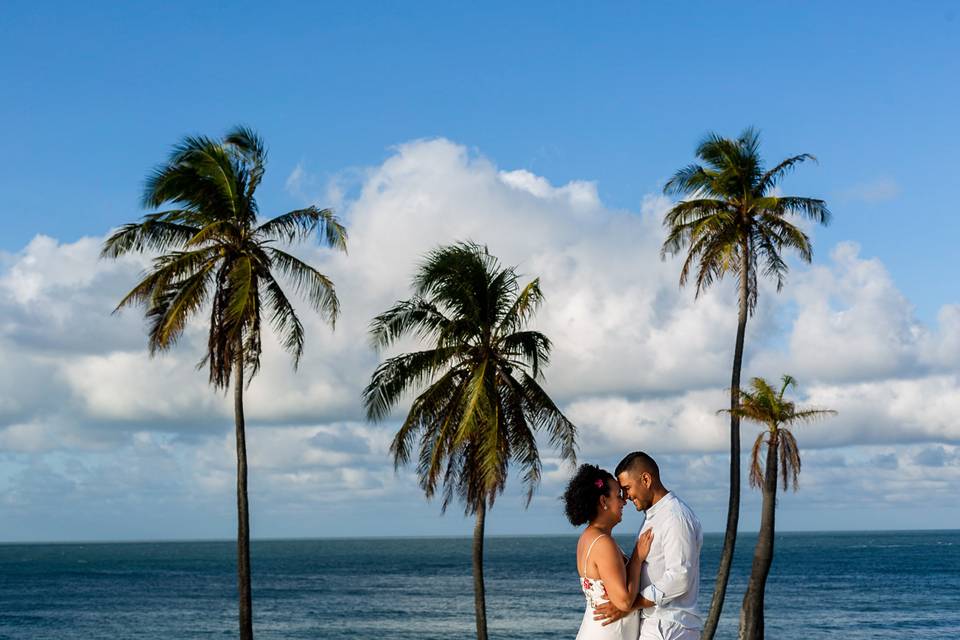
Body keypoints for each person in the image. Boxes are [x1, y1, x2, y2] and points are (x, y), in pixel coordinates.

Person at [593, 452, 703, 640]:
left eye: (627, 488)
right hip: (658, 624)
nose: (626, 497)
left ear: (645, 479)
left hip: (669, 626)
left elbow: (680, 577)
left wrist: (631, 603)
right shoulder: (655, 517)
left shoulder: (675, 517)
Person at [563, 463, 655, 640]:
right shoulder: (602, 542)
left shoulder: (588, 537)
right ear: (603, 501)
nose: (624, 501)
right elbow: (624, 601)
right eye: (618, 495)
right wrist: (636, 558)